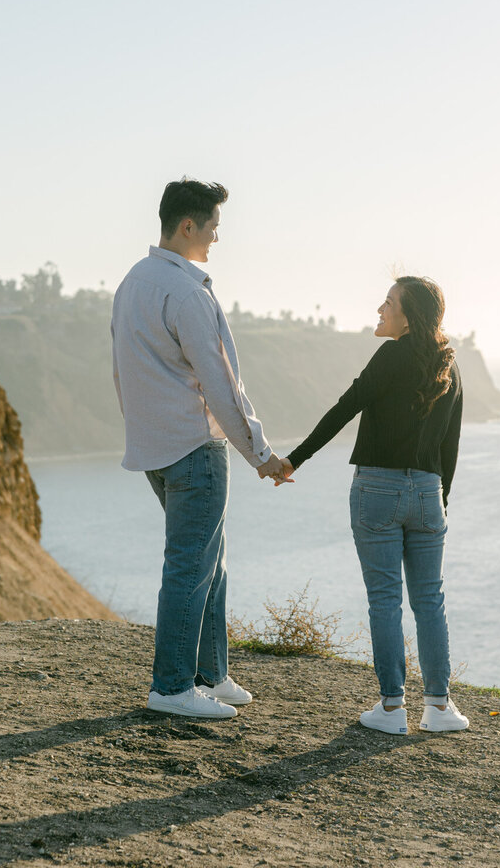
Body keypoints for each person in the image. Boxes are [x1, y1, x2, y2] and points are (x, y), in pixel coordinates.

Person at [111, 177, 290, 720]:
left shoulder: (132, 282)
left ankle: (210, 674)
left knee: (211, 563)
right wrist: (261, 455)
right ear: (188, 225)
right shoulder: (188, 292)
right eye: (213, 227)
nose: (216, 238)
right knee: (191, 566)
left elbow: (124, 372)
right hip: (194, 448)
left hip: (155, 450)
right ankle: (171, 688)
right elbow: (222, 384)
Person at [281, 276, 468, 735]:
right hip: (428, 493)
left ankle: (391, 710)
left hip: (378, 491)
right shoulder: (450, 365)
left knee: (385, 600)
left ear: (409, 316)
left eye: (388, 304)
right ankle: (440, 708)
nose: (380, 310)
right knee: (430, 601)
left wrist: (293, 460)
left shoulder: (392, 356)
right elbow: (451, 446)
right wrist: (438, 502)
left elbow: (347, 407)